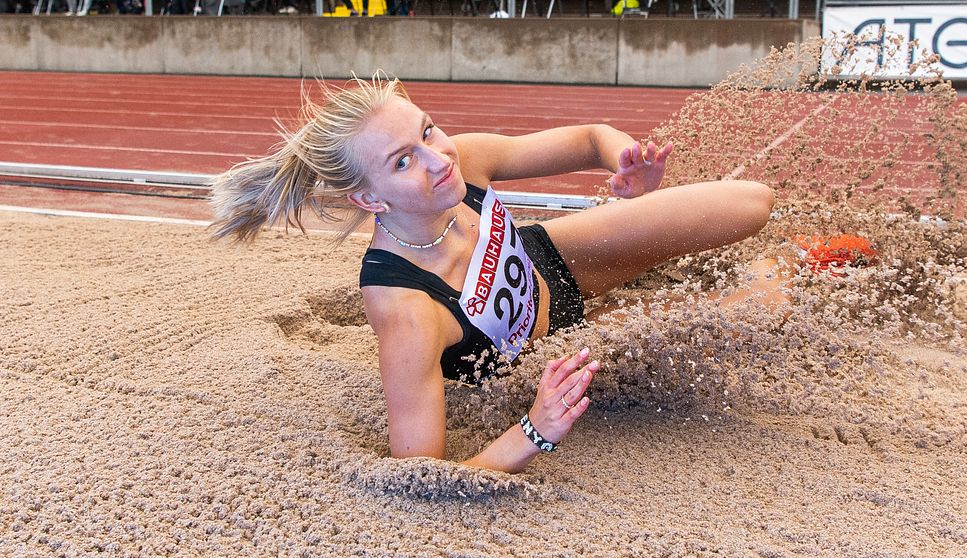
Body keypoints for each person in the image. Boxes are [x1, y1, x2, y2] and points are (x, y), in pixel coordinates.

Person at [210, 74, 775, 473]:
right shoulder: (405, 310)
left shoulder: (464, 161)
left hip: (556, 261)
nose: (438, 159)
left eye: (427, 131)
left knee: (752, 203)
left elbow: (591, 137)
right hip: (556, 353)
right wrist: (536, 429)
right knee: (763, 298)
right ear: (370, 199)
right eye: (403, 161)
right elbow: (420, 472)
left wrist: (628, 167)